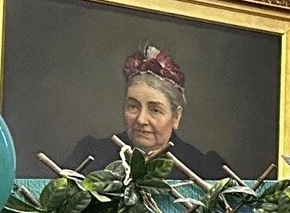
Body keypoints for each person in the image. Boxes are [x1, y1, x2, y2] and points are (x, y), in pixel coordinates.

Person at [63, 44, 232, 177]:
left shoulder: (203, 169)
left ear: (176, 116)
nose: (141, 119)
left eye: (155, 110)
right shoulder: (92, 156)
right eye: (133, 106)